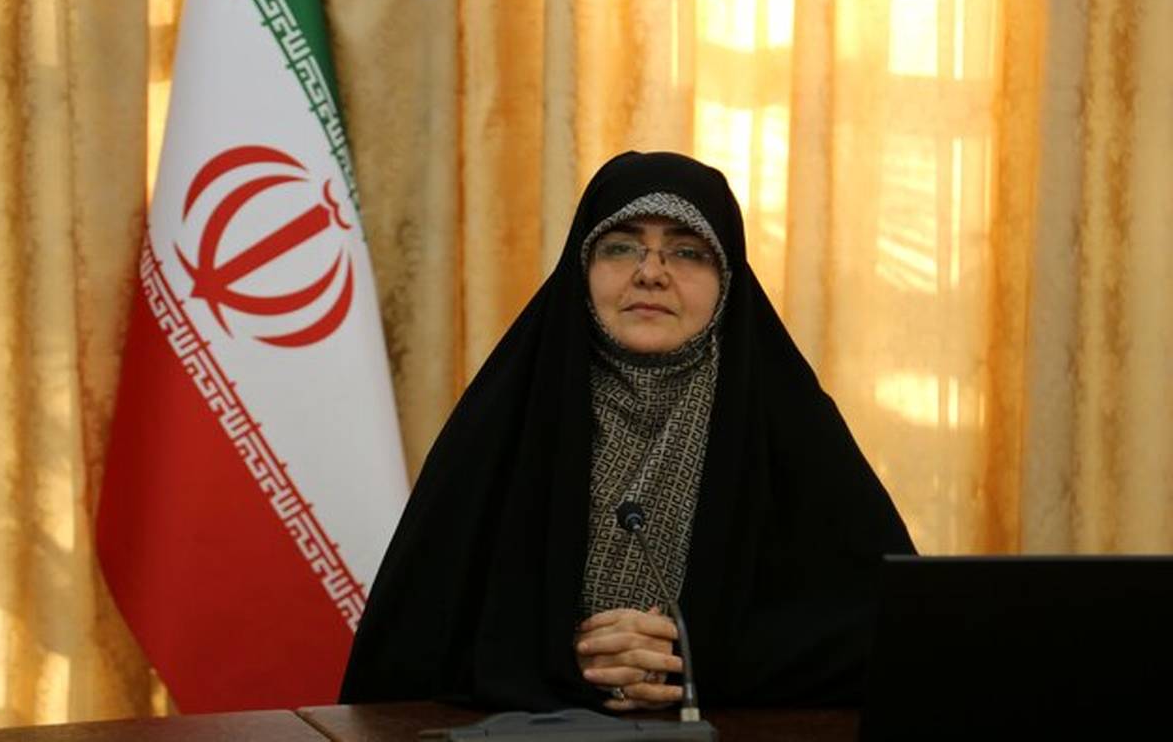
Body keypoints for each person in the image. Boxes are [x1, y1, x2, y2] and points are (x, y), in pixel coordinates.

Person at [339, 151, 915, 712]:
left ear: (727, 278)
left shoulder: (789, 421)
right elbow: (412, 642)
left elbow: (894, 634)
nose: (651, 273)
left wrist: (694, 657)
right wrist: (566, 659)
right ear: (582, 268)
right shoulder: (505, 416)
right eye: (621, 247)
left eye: (687, 252)